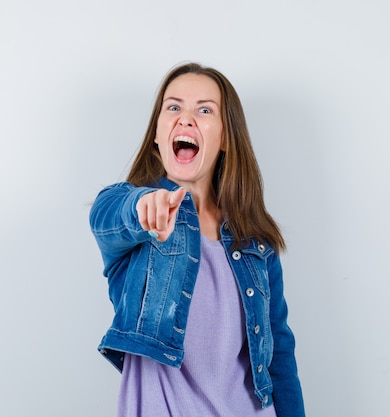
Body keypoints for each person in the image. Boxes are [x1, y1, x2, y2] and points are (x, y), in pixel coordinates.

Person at [89, 62, 305, 417]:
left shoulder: (254, 242)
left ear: (224, 138)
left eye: (204, 110)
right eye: (173, 107)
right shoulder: (136, 218)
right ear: (157, 134)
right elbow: (106, 216)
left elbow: (278, 351)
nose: (185, 118)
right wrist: (144, 205)